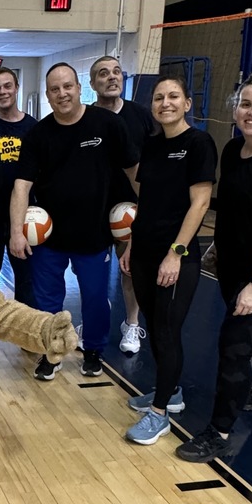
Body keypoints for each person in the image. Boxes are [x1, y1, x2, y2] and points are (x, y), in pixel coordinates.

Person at [177, 71, 252, 463]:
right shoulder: (232, 150)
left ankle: (219, 433)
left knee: (234, 344)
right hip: (233, 264)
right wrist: (217, 250)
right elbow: (231, 208)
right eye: (246, 104)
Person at [10, 62, 139, 380]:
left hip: (94, 234)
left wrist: (143, 221)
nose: (62, 93)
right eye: (55, 89)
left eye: (68, 86)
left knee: (95, 297)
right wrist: (16, 232)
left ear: (80, 88)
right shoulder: (38, 135)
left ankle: (93, 349)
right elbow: (21, 186)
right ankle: (52, 354)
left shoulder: (107, 125)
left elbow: (135, 172)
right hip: (48, 237)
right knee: (48, 301)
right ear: (47, 95)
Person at [119, 76, 217, 444]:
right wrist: (131, 244)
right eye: (159, 98)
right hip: (143, 249)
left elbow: (201, 203)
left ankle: (159, 415)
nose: (165, 103)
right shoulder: (154, 144)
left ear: (187, 104)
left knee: (166, 330)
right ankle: (169, 391)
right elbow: (148, 201)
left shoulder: (199, 143)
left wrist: (175, 253)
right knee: (153, 322)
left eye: (174, 96)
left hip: (176, 255)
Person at [91, 55, 155, 355]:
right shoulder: (84, 117)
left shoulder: (140, 116)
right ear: (92, 84)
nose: (111, 77)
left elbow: (151, 164)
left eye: (117, 72)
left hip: (130, 208)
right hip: (93, 207)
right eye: (103, 73)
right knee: (93, 271)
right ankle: (94, 323)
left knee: (130, 270)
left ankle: (131, 324)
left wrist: (148, 204)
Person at [0, 66, 37, 306]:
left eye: (7, 86)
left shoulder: (34, 127)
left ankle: (26, 330)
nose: (3, 92)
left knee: (27, 279)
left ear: (16, 88)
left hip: (24, 217)